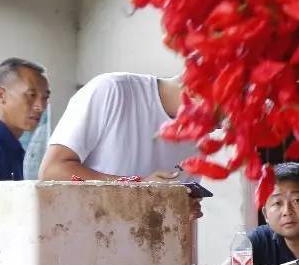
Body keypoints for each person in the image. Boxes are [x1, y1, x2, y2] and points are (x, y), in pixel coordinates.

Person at [39, 71, 203, 217]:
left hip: (145, 247)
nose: (223, 126)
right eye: (222, 113)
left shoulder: (201, 138)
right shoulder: (111, 90)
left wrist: (181, 208)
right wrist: (133, 186)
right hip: (83, 243)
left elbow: (160, 209)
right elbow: (52, 171)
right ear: (195, 89)